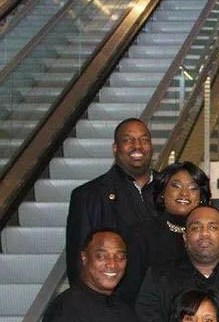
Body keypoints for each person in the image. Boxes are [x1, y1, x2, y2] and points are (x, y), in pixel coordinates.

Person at [66, 118, 156, 283]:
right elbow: (78, 265)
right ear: (115, 148)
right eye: (128, 140)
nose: (137, 146)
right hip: (118, 297)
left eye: (144, 140)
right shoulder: (88, 196)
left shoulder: (171, 190)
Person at [119, 161, 210, 305]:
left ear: (201, 198)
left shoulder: (212, 233)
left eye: (193, 188)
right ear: (162, 192)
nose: (184, 193)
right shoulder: (141, 234)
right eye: (176, 186)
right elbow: (130, 289)